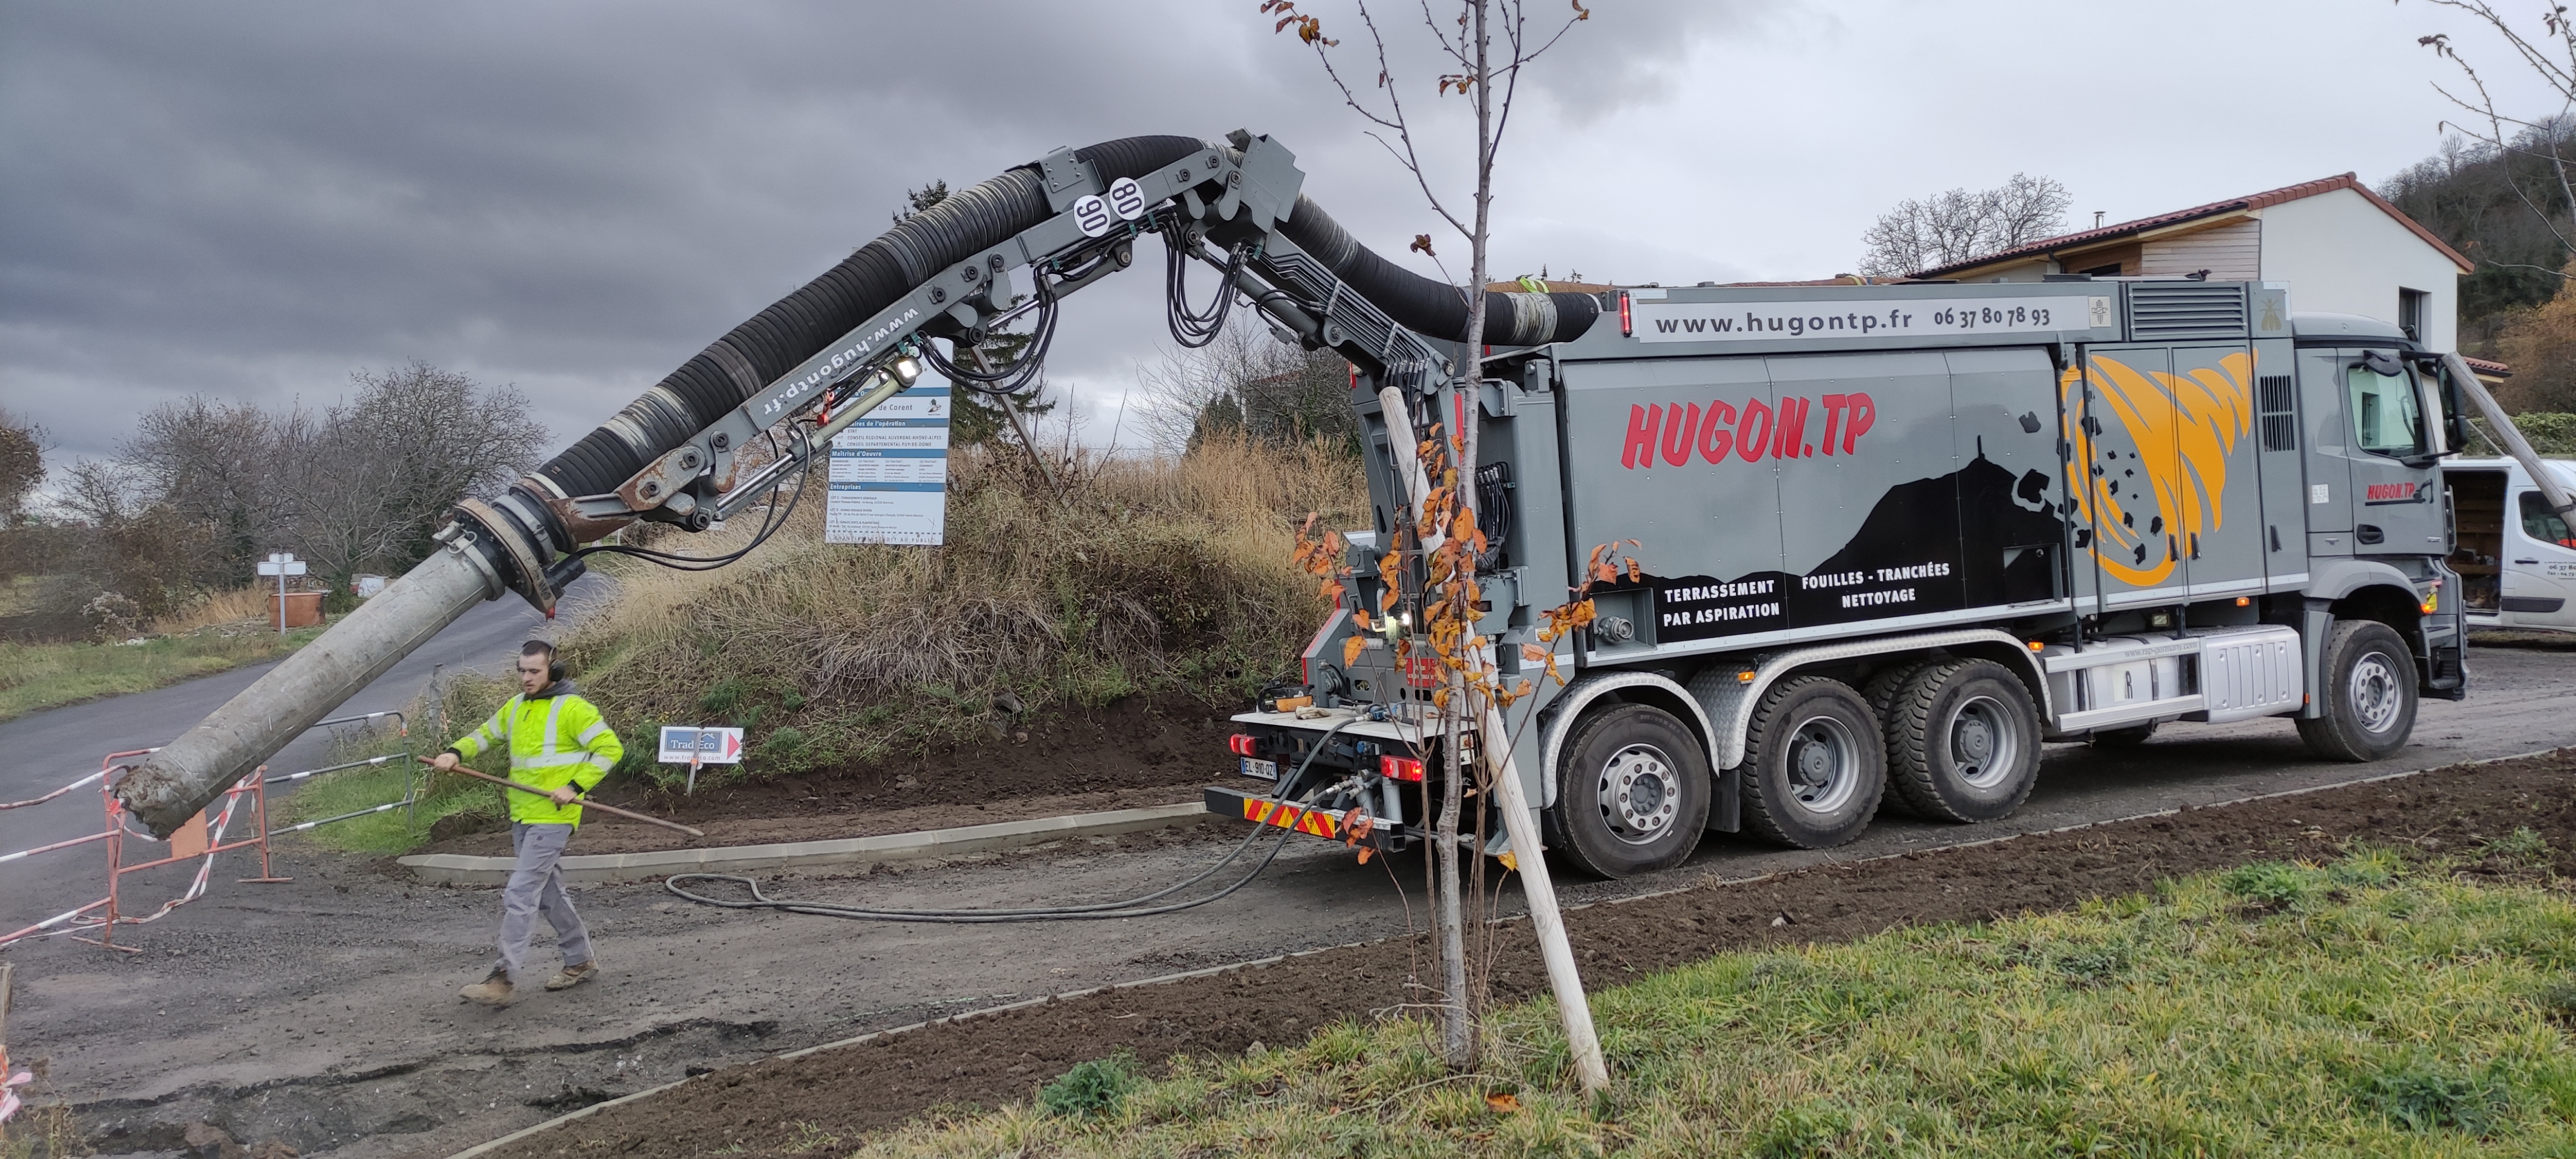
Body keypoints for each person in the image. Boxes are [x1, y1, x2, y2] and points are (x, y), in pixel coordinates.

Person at [433, 640, 623, 1007]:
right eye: (522, 670)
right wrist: (454, 752)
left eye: (534, 671)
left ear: (554, 670)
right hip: (522, 816)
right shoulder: (517, 708)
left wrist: (573, 786)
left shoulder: (574, 709)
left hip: (553, 819)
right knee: (549, 895)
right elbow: (485, 735)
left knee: (520, 893)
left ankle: (502, 978)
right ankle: (580, 960)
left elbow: (610, 749)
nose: (526, 677)